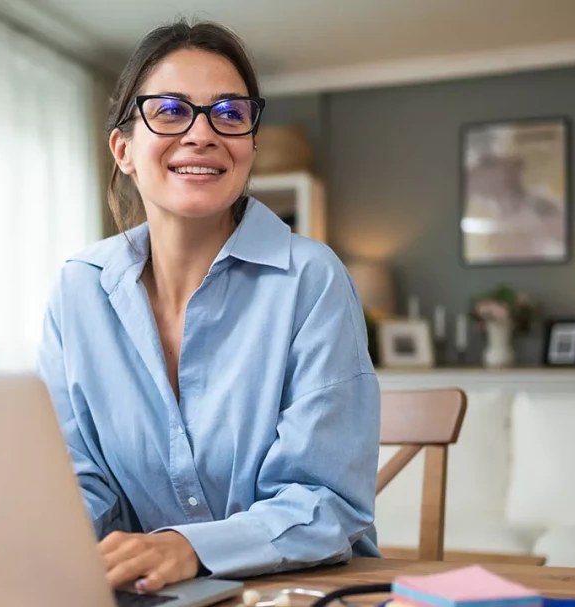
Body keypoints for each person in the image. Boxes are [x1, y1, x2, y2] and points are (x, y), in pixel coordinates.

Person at [36, 19, 380, 594]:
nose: (202, 133)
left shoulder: (312, 279)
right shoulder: (79, 289)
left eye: (229, 112)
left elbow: (326, 503)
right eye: (169, 111)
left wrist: (187, 547)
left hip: (298, 593)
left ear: (250, 144)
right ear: (123, 149)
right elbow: (76, 483)